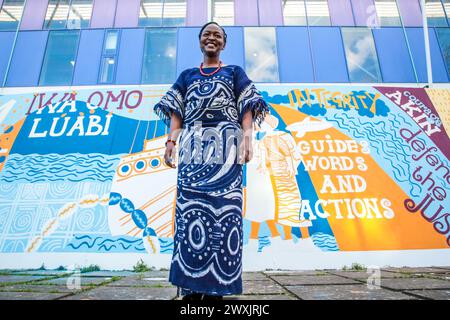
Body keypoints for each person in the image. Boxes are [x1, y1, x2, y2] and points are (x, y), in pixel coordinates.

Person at [153, 21, 270, 301]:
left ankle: (217, 288)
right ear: (200, 41)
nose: (212, 38)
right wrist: (171, 141)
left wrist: (247, 138)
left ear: (224, 43)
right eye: (207, 34)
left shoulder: (234, 72)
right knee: (189, 216)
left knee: (225, 217)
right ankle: (191, 290)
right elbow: (176, 110)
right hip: (192, 152)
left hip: (226, 152)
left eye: (217, 35)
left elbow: (248, 105)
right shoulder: (187, 75)